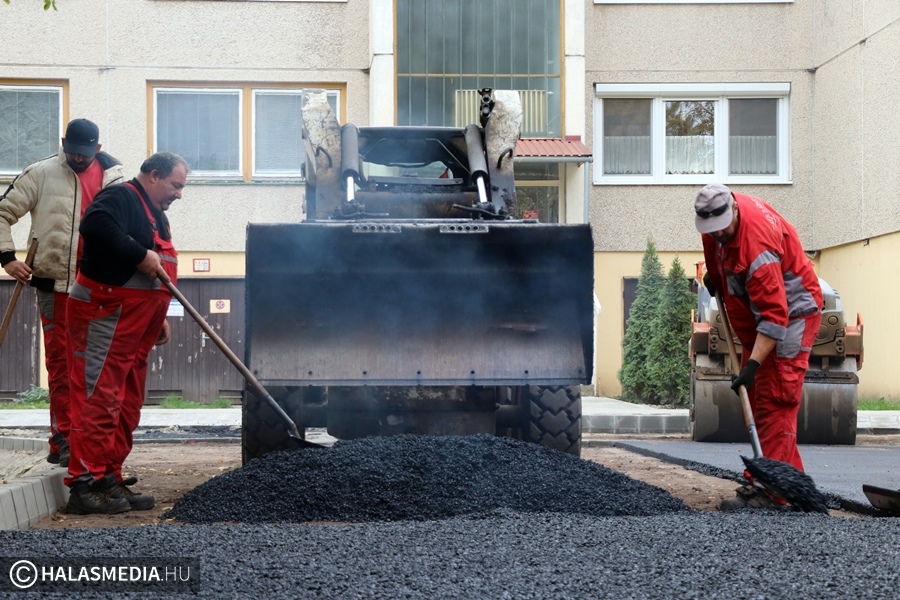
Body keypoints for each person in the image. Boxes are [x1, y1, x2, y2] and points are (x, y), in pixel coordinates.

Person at [64, 151, 188, 515]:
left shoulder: (156, 215)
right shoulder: (120, 197)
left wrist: (159, 312)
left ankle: (109, 477)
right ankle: (84, 484)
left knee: (126, 405)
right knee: (98, 400)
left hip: (136, 326)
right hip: (104, 316)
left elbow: (157, 270)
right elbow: (95, 225)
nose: (179, 194)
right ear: (153, 175)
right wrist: (138, 254)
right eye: (175, 185)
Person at [0, 118, 124, 468]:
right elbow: (1, 213)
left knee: (96, 369)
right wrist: (7, 259)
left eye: (84, 154)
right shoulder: (39, 173)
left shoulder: (116, 180)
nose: (77, 159)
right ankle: (64, 440)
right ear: (63, 142)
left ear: (97, 149)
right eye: (71, 151)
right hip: (54, 285)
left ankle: (92, 444)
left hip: (100, 286)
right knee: (61, 365)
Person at [694, 183, 823, 510]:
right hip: (760, 318)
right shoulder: (716, 223)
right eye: (712, 233)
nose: (718, 237)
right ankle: (792, 488)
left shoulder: (757, 245)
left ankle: (773, 492)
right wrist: (716, 277)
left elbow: (775, 316)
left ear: (734, 211)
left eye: (722, 231)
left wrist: (752, 367)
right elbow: (720, 254)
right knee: (762, 399)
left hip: (792, 315)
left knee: (775, 399)